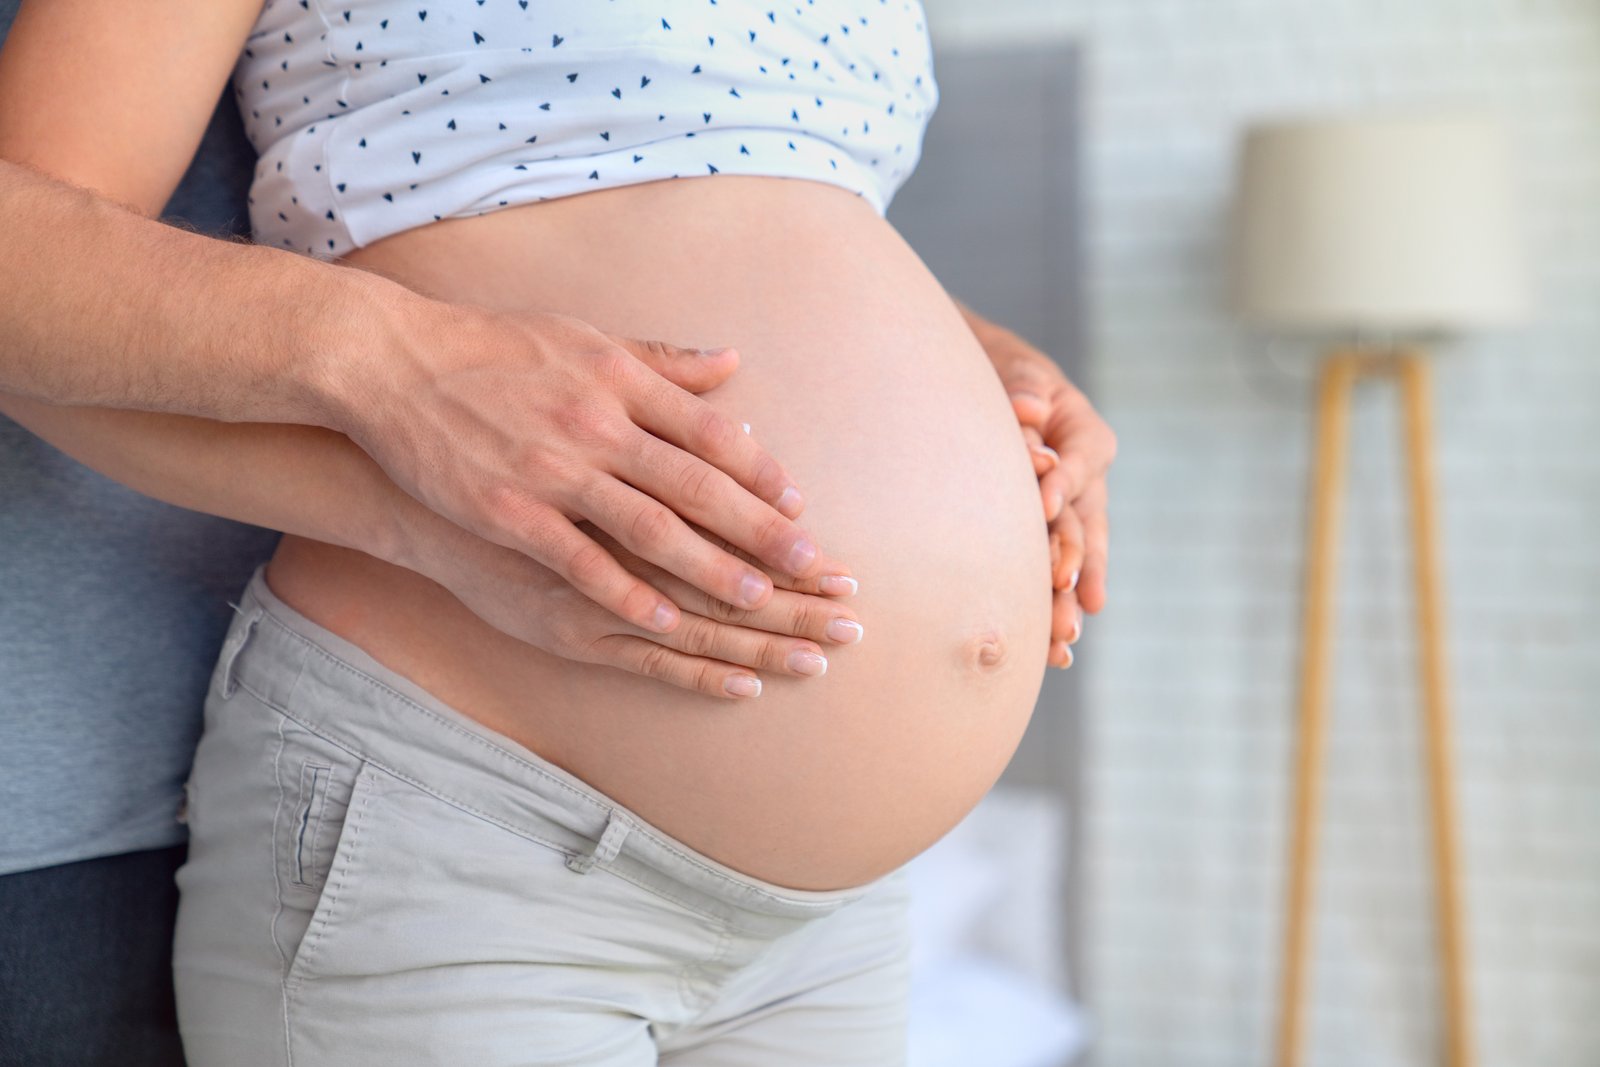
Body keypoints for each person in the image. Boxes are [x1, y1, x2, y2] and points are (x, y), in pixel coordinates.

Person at [0, 1, 1114, 1064]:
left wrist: (967, 360)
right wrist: (405, 462)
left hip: (831, 923)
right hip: (471, 829)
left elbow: (718, 175)